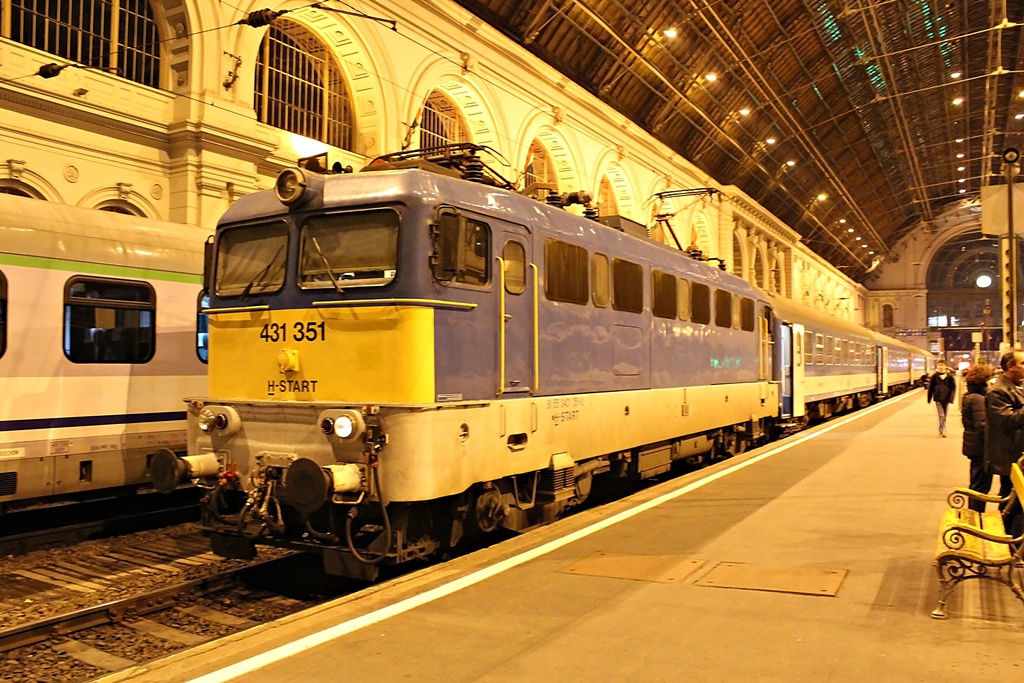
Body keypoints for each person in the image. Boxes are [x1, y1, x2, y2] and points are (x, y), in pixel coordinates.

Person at [983, 349, 1024, 535]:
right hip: (1009, 456)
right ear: (1010, 366)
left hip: (1015, 455)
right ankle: (1010, 542)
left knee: (1013, 501)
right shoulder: (998, 391)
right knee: (1013, 502)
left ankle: (1009, 539)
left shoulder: (1016, 386)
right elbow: (1006, 420)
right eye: (1022, 363)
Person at [961, 364, 993, 512]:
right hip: (980, 448)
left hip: (974, 446)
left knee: (977, 482)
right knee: (980, 485)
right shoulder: (978, 399)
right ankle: (975, 515)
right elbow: (982, 424)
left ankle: (975, 513)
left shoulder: (971, 396)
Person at [927, 361, 956, 437]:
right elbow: (931, 387)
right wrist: (929, 398)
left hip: (947, 398)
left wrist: (951, 398)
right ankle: (943, 430)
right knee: (941, 415)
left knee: (944, 415)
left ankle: (941, 427)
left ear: (946, 366)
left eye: (942, 365)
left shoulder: (950, 376)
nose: (941, 366)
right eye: (939, 365)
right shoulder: (935, 376)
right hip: (938, 398)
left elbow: (953, 388)